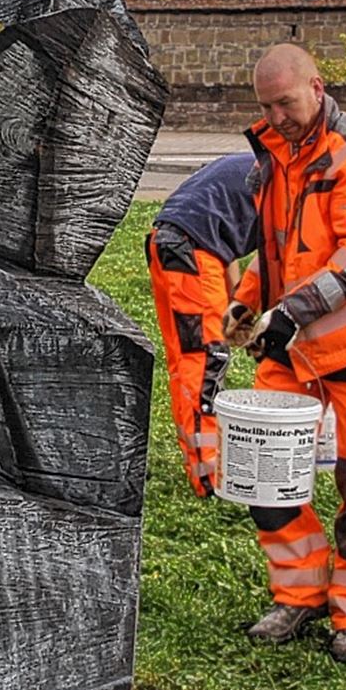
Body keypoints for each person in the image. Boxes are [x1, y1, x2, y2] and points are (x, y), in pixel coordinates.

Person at [224, 43, 346, 663]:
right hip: (294, 346)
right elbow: (281, 250)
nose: (275, 116)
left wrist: (287, 315)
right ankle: (297, 594)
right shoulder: (279, 158)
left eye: (284, 103)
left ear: (317, 87)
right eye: (265, 106)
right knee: (266, 473)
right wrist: (247, 303)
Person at [146, 153, 257, 498]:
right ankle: (209, 476)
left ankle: (199, 463)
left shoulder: (249, 165)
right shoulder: (290, 181)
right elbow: (276, 261)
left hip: (167, 242)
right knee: (205, 362)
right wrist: (255, 318)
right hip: (193, 254)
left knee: (186, 363)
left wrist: (235, 308)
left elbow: (226, 243)